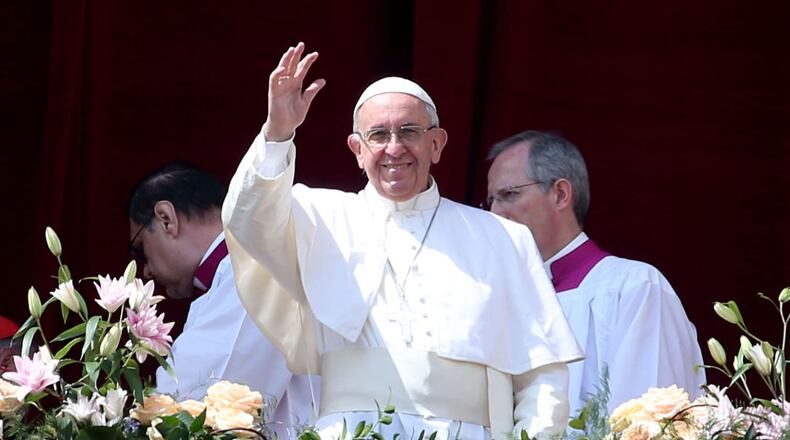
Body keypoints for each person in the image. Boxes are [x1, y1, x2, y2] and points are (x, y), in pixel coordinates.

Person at [222, 42, 583, 440]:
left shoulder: (503, 238)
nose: (394, 148)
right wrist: (277, 133)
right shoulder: (318, 217)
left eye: (409, 131)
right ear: (357, 150)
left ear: (437, 143)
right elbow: (248, 218)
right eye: (378, 135)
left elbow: (542, 372)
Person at [485, 131, 706, 416]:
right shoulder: (500, 299)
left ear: (560, 194)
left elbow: (648, 424)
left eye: (509, 195)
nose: (494, 213)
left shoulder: (634, 288)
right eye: (490, 201)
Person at [127, 162, 318, 437]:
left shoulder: (253, 266)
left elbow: (191, 400)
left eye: (140, 249)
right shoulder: (231, 274)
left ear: (166, 219)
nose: (145, 270)